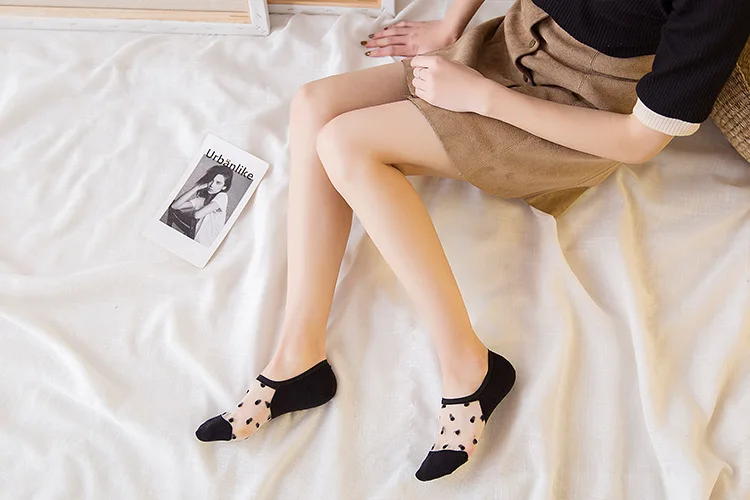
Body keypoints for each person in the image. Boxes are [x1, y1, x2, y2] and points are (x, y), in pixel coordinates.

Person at [195, 0, 750, 481]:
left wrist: (483, 98)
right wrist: (450, 26)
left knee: (346, 143)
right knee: (314, 105)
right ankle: (299, 355)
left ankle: (471, 367)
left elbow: (638, 141)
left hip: (578, 113)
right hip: (511, 45)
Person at [171, 165, 233, 247]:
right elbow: (175, 206)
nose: (212, 185)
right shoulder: (201, 200)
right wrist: (196, 188)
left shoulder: (222, 197)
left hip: (208, 245)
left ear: (224, 187)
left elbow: (197, 215)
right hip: (194, 242)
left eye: (218, 183)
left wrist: (189, 214)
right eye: (211, 180)